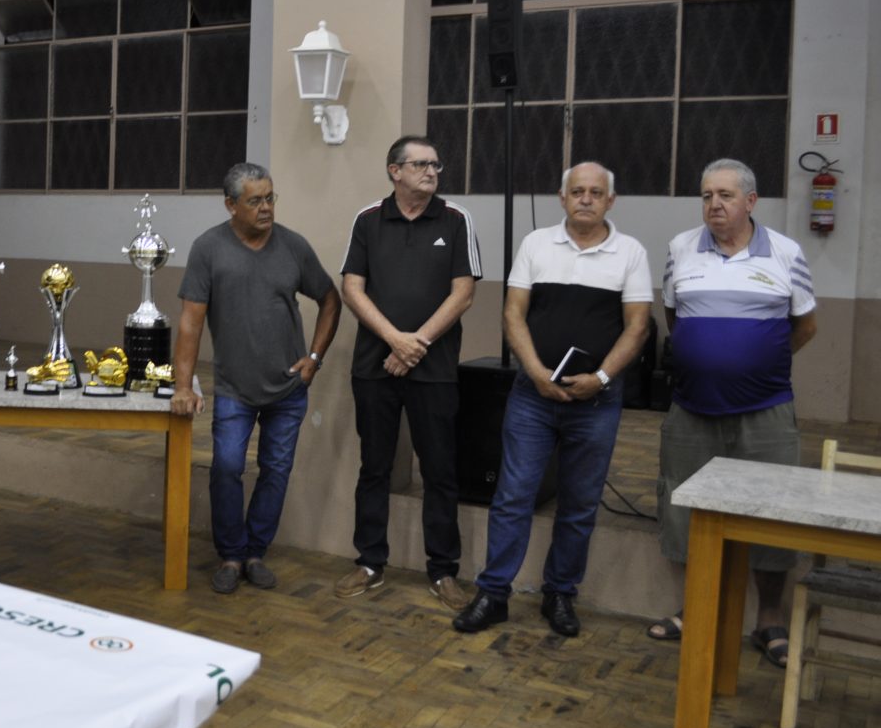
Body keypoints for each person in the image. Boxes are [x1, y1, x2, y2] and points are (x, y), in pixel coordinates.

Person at [453, 163, 651, 636]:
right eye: (577, 191)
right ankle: (493, 594)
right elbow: (513, 313)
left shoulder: (631, 252)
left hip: (597, 401)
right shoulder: (536, 245)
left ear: (610, 201)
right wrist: (536, 373)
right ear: (562, 198)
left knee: (579, 504)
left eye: (596, 193)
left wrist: (601, 377)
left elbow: (638, 326)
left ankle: (559, 594)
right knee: (512, 496)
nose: (586, 199)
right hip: (533, 397)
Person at [648, 158, 816, 666]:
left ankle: (769, 619)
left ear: (750, 201)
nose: (714, 204)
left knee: (773, 508)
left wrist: (756, 363)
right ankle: (698, 606)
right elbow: (675, 318)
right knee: (684, 506)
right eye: (706, 196)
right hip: (692, 407)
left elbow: (805, 326)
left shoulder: (785, 252)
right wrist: (708, 359)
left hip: (765, 409)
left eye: (725, 195)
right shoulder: (681, 248)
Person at [171, 162, 340, 595]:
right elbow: (190, 323)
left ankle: (254, 553)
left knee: (276, 470)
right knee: (227, 467)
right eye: (255, 201)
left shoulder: (293, 246)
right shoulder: (208, 248)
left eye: (270, 198)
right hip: (234, 389)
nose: (266, 208)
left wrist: (314, 358)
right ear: (231, 205)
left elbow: (330, 299)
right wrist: (183, 386)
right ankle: (230, 554)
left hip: (288, 388)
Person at [335, 135, 480, 612]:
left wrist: (415, 345)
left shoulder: (455, 219)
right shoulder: (368, 219)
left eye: (435, 165)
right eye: (420, 164)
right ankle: (369, 562)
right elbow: (352, 289)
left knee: (439, 470)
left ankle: (443, 571)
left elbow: (463, 293)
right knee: (374, 466)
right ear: (394, 171)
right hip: (374, 366)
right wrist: (395, 340)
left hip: (434, 369)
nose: (432, 172)